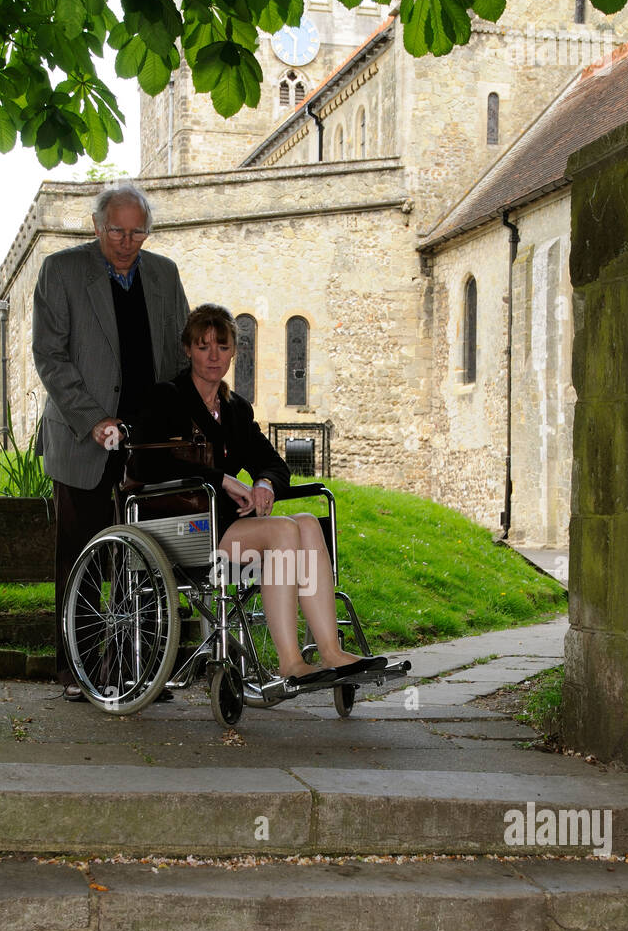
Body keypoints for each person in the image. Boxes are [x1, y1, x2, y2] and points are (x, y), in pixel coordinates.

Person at [133, 304, 387, 685]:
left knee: (305, 524)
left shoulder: (235, 410)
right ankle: (289, 663)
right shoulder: (166, 398)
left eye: (222, 346)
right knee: (284, 530)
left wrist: (265, 483)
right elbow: (146, 467)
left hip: (225, 524)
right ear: (188, 350)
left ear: (234, 350)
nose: (214, 356)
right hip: (179, 524)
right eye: (204, 347)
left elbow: (274, 464)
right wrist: (220, 479)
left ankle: (330, 650)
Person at [31, 183, 189, 699]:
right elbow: (51, 357)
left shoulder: (164, 274)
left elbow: (181, 356)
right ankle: (78, 669)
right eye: (116, 230)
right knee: (82, 558)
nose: (126, 241)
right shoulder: (61, 271)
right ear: (97, 227)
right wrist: (94, 418)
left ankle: (138, 671)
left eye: (136, 231)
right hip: (82, 439)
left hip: (149, 447)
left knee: (146, 559)